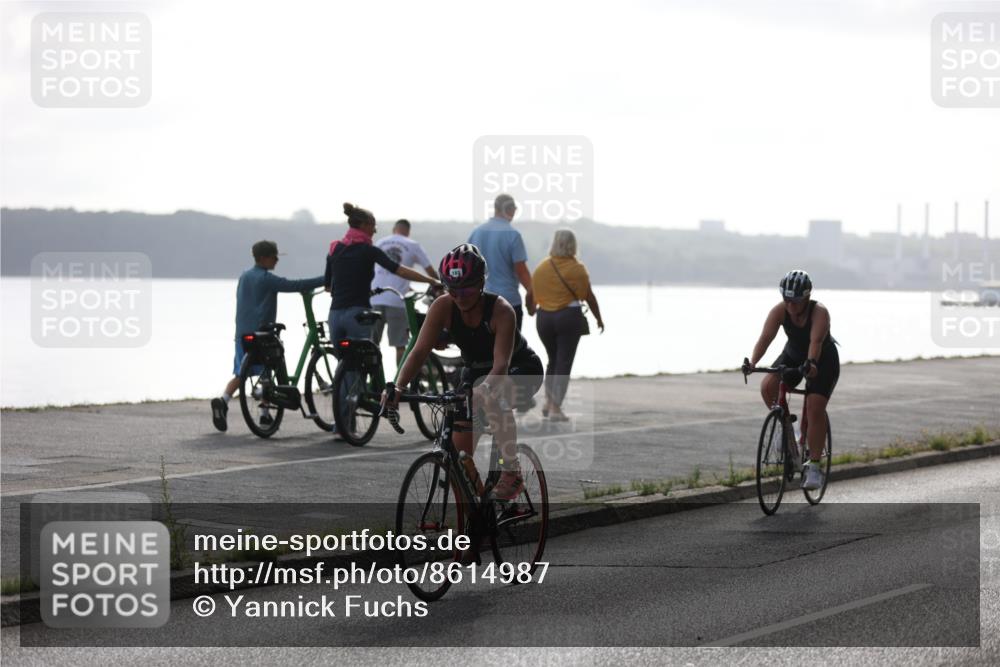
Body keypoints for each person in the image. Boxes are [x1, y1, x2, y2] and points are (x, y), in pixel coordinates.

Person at [384, 244, 544, 501]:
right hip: (475, 372)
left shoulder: (501, 310)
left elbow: (501, 365)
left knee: (493, 398)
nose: (460, 297)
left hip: (520, 368)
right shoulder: (442, 306)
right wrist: (398, 387)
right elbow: (419, 351)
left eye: (467, 289)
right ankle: (477, 512)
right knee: (459, 462)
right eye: (452, 290)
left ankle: (511, 471)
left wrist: (485, 389)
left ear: (481, 283)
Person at [211, 240, 325, 432]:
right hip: (263, 333)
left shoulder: (244, 276)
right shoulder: (266, 279)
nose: (277, 260)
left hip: (242, 333)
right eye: (274, 257)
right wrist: (326, 278)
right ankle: (264, 414)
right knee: (269, 369)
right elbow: (296, 285)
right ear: (264, 258)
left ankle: (223, 401)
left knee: (241, 373)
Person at [745, 269, 840, 491]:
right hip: (793, 354)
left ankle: (814, 466)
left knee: (815, 407)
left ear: (806, 298)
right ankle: (789, 431)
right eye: (786, 300)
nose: (790, 306)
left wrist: (811, 364)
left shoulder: (819, 313)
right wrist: (753, 362)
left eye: (795, 301)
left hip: (823, 360)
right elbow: (765, 338)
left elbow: (816, 343)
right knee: (768, 387)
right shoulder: (779, 311)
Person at [326, 203, 439, 343]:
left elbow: (328, 287)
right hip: (358, 314)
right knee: (367, 355)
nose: (375, 231)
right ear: (364, 225)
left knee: (342, 356)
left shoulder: (334, 248)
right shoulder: (369, 250)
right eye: (373, 226)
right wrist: (431, 281)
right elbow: (400, 270)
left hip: (335, 315)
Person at [531, 229, 605, 421]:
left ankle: (548, 402)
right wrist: (598, 318)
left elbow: (531, 295)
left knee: (552, 360)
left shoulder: (541, 268)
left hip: (544, 319)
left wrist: (531, 310)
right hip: (568, 318)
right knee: (563, 362)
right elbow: (589, 296)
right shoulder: (577, 269)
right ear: (573, 245)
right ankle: (555, 408)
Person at [370, 219, 440, 365]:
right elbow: (429, 271)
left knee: (372, 345)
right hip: (397, 300)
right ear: (408, 231)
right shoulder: (412, 245)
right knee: (400, 346)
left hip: (374, 298)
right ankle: (400, 378)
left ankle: (372, 377)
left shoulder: (380, 242)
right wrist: (439, 284)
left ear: (394, 229)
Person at [468, 193, 535, 331]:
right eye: (514, 209)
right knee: (511, 345)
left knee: (485, 344)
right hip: (509, 302)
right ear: (508, 209)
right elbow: (521, 271)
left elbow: (469, 266)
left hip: (481, 301)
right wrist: (532, 299)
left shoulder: (476, 232)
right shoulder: (513, 234)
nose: (514, 212)